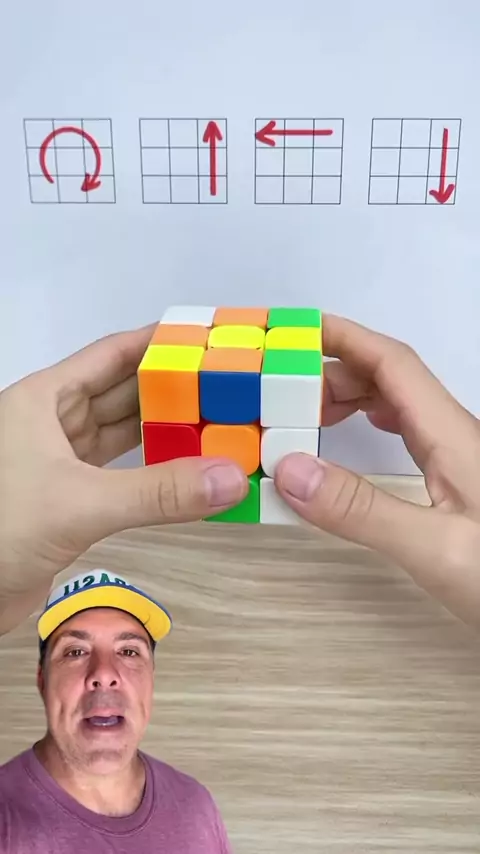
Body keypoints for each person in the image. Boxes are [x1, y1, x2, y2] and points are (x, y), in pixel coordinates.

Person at [0, 313, 479, 851]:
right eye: (73, 651)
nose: (104, 675)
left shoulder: (195, 805)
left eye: (131, 651)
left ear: (152, 682)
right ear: (40, 680)